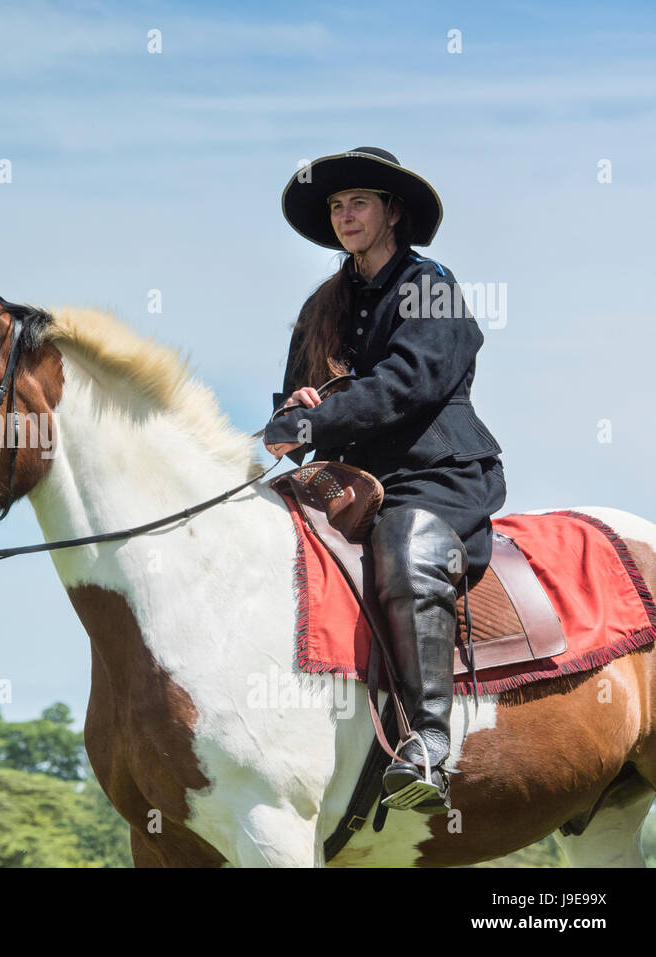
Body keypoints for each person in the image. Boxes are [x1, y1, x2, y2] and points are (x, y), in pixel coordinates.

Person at [263, 147, 507, 813]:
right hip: (340, 484)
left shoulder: (430, 285)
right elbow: (293, 405)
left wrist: (322, 417)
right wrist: (292, 417)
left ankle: (427, 740)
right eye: (337, 207)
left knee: (406, 544)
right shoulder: (320, 306)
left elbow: (410, 383)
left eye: (359, 202)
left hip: (432, 476)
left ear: (392, 211)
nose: (345, 216)